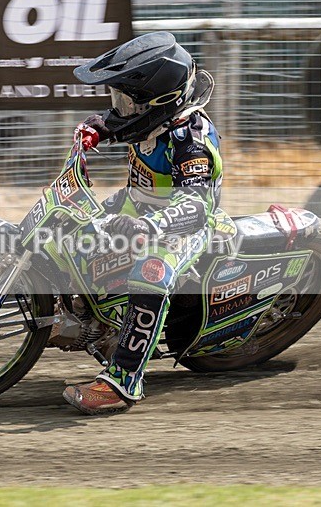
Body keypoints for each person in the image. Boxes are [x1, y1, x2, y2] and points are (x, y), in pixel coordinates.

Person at [62, 31, 225, 415]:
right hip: (137, 205)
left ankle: (123, 382)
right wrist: (97, 127)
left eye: (126, 101)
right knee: (71, 228)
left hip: (182, 226)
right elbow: (122, 120)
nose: (119, 109)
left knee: (150, 274)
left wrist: (150, 227)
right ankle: (94, 319)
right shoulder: (150, 116)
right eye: (116, 99)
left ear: (161, 101)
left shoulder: (190, 142)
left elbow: (196, 207)